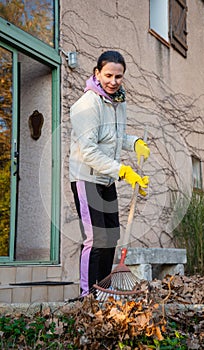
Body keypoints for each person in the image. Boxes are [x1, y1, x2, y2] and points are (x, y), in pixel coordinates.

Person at [69, 50, 150, 297]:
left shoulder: (117, 102)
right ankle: (88, 294)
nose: (113, 81)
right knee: (96, 239)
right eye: (108, 75)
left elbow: (113, 137)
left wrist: (134, 142)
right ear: (97, 73)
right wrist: (123, 171)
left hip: (106, 179)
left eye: (118, 76)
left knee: (111, 237)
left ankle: (104, 289)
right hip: (87, 177)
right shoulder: (86, 105)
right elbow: (89, 150)